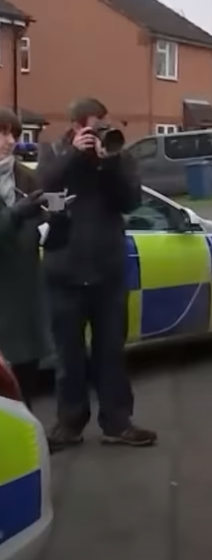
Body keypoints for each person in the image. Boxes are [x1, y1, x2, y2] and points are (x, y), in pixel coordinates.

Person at [39, 97, 155, 451]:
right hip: (65, 271)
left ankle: (117, 423)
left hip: (107, 272)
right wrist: (75, 155)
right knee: (68, 356)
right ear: (76, 127)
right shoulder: (53, 153)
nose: (101, 133)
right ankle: (69, 425)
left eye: (104, 125)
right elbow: (45, 189)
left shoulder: (117, 154)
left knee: (111, 354)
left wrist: (111, 164)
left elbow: (131, 201)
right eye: (93, 127)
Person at [0, 108, 50, 409]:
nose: (10, 142)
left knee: (23, 394)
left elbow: (42, 227)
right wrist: (14, 216)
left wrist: (57, 225)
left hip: (24, 302)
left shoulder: (27, 177)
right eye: (3, 133)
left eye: (15, 135)